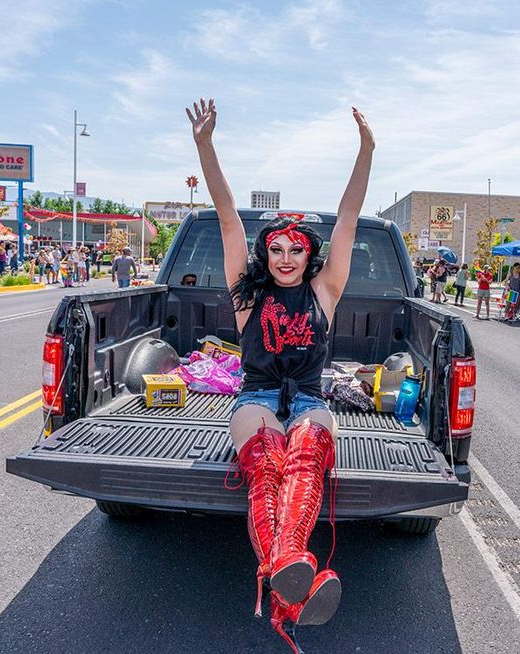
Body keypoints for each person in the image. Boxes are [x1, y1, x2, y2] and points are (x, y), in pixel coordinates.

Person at [188, 97, 373, 652]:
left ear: (309, 255)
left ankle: (285, 579)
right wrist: (205, 147)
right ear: (265, 255)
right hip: (258, 397)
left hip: (312, 398)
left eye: (296, 250)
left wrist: (366, 151)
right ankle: (292, 567)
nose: (286, 257)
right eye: (276, 249)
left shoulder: (325, 290)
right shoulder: (250, 298)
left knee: (307, 457)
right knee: (267, 466)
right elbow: (225, 217)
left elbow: (348, 218)